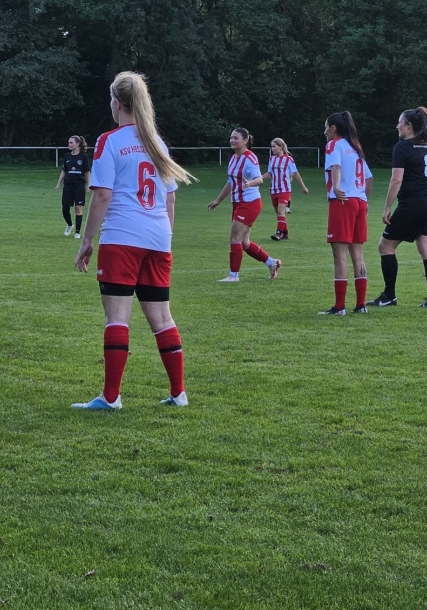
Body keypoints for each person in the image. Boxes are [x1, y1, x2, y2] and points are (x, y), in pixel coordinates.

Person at [72, 71, 196, 410]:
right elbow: (170, 199)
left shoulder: (109, 141)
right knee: (162, 318)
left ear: (116, 103)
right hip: (158, 238)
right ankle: (178, 393)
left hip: (122, 238)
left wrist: (86, 239)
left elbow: (102, 196)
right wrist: (165, 237)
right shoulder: (157, 143)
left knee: (117, 318)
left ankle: (111, 398)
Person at [368, 106, 427, 309]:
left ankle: (389, 296)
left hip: (414, 204)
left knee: (385, 246)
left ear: (409, 126)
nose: (397, 126)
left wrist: (387, 207)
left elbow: (396, 179)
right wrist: (425, 192)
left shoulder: (402, 147)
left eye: (400, 123)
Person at [207, 128, 282, 283]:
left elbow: (259, 179)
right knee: (244, 242)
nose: (232, 140)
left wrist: (250, 183)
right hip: (237, 203)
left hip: (249, 203)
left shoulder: (250, 158)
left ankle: (233, 276)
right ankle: (272, 263)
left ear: (245, 140)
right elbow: (230, 182)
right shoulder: (233, 158)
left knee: (235, 238)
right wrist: (218, 200)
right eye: (231, 138)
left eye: (236, 138)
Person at [320, 111, 373, 316]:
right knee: (358, 255)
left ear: (333, 128)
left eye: (326, 127)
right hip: (359, 201)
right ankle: (361, 305)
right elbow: (369, 178)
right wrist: (365, 199)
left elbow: (336, 166)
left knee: (339, 255)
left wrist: (336, 186)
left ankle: (339, 306)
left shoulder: (334, 144)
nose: (325, 131)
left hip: (342, 201)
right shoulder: (355, 146)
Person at [262, 138, 309, 241]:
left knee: (281, 211)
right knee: (279, 213)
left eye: (274, 146)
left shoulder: (288, 159)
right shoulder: (272, 159)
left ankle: (278, 234)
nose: (272, 149)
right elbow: (269, 173)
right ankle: (285, 233)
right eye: (272, 146)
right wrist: (259, 178)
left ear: (281, 147)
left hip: (284, 189)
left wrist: (303, 187)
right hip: (273, 189)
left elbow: (296, 173)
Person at [55, 136, 90, 238]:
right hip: (68, 186)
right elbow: (64, 171)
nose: (69, 145)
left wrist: (89, 185)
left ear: (77, 144)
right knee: (65, 209)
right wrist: (58, 183)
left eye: (71, 143)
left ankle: (77, 232)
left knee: (78, 208)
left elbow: (87, 172)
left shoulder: (83, 157)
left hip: (79, 186)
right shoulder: (67, 156)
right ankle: (70, 224)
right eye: (69, 143)